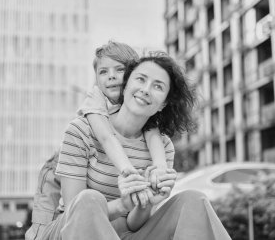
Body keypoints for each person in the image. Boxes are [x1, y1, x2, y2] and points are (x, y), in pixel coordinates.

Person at [30, 51, 231, 240]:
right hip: (69, 231)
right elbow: (75, 212)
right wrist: (122, 204)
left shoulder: (163, 147)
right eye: (141, 79)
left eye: (158, 86)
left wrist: (146, 202)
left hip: (126, 233)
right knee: (89, 199)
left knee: (194, 200)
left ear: (163, 103)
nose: (146, 90)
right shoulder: (81, 130)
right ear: (125, 86)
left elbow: (134, 225)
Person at [78, 41, 169, 192]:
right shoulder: (95, 98)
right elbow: (106, 136)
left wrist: (160, 167)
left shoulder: (137, 102)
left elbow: (152, 131)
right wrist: (127, 170)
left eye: (119, 69)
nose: (111, 76)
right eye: (103, 71)